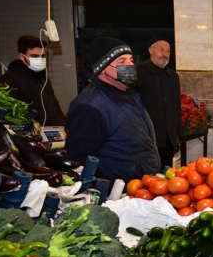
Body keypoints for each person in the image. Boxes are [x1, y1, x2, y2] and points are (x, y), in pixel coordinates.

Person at [65, 37, 160, 184]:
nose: (130, 65)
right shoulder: (89, 106)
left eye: (131, 60)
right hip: (115, 196)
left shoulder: (130, 94)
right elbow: (80, 161)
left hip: (140, 191)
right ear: (102, 68)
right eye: (121, 62)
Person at [134, 35, 181, 168]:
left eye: (168, 51)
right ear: (150, 50)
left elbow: (177, 107)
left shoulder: (173, 76)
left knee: (165, 176)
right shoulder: (138, 72)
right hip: (145, 138)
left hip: (168, 139)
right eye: (161, 49)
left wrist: (177, 134)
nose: (165, 54)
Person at [0, 35, 66, 126]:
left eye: (43, 56)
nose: (40, 60)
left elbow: (54, 104)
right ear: (22, 56)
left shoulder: (43, 77)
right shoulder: (9, 79)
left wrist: (63, 124)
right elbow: (8, 115)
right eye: (34, 56)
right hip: (31, 136)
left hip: (53, 132)